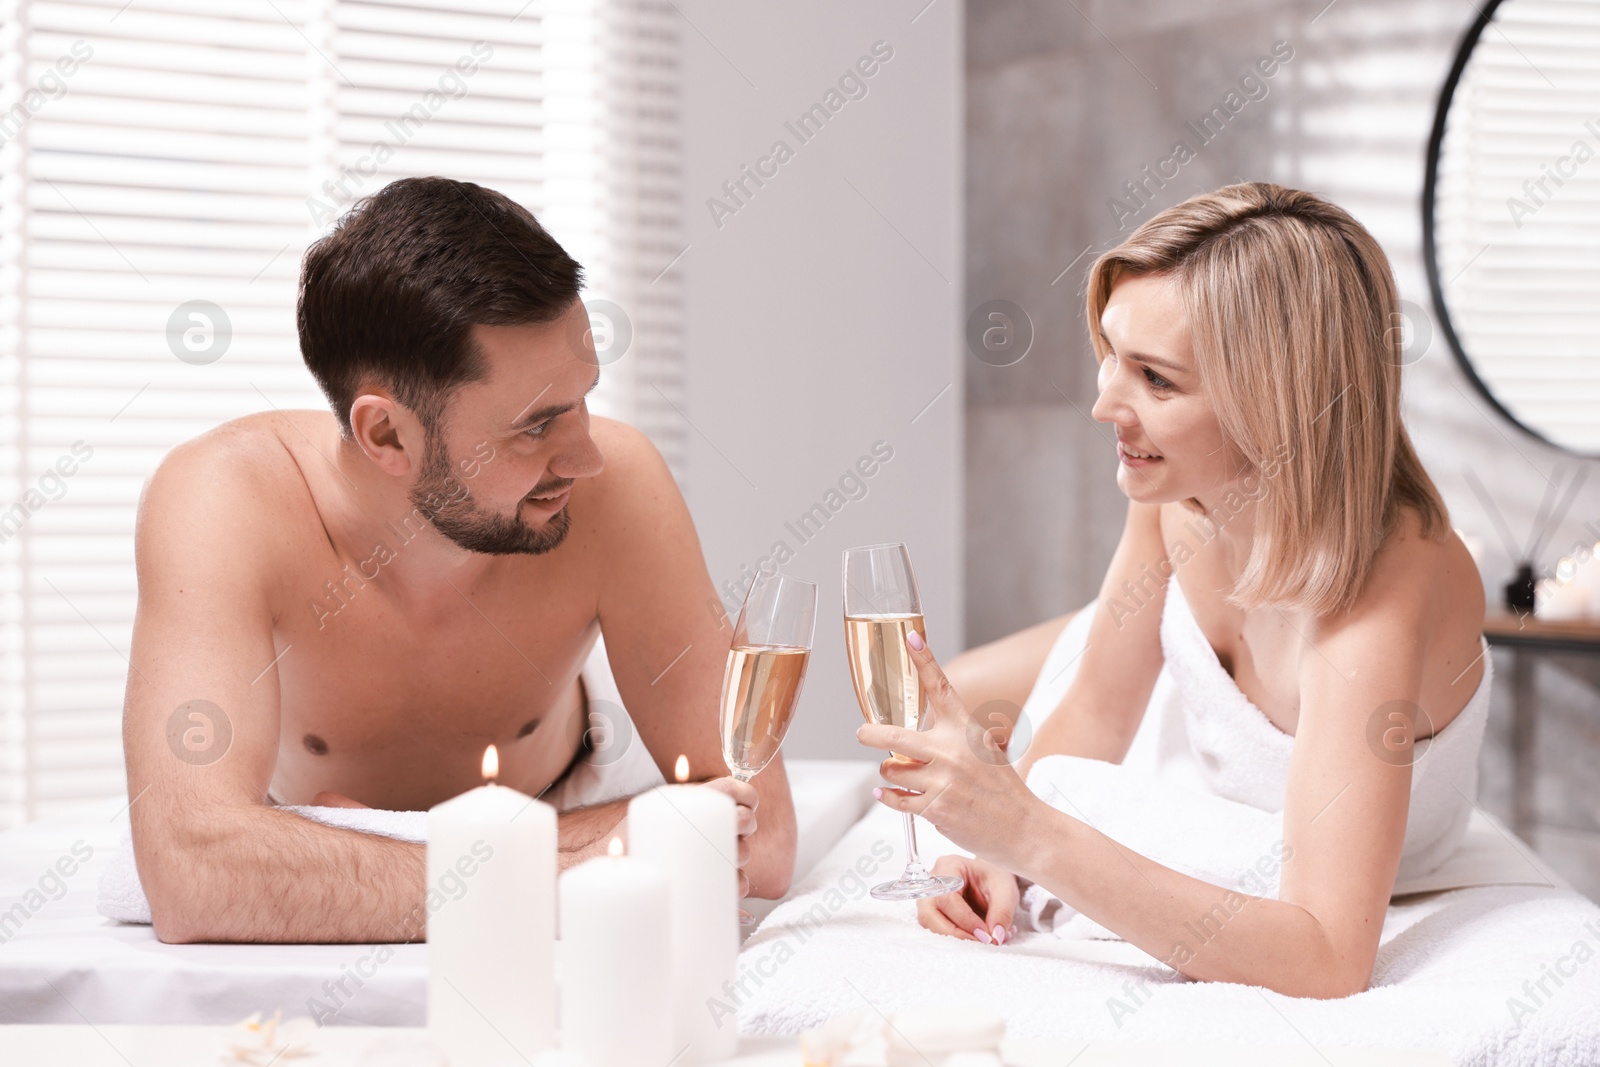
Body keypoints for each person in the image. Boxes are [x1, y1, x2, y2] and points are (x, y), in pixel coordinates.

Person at [856, 182, 1489, 999]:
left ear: (1279, 404)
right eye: (1111, 353)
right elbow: (1097, 709)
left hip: (1226, 748)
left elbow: (1329, 954)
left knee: (999, 748)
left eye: (1154, 378)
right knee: (944, 701)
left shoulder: (1384, 582)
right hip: (1171, 708)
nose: (1101, 404)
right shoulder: (1176, 503)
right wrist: (992, 855)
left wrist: (1028, 832)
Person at [123, 176, 795, 943]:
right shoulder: (223, 501)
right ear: (386, 437)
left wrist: (379, 855)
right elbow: (192, 874)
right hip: (513, 851)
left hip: (558, 790)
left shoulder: (620, 486)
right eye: (537, 427)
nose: (586, 458)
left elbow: (762, 833)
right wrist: (577, 868)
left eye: (582, 400)